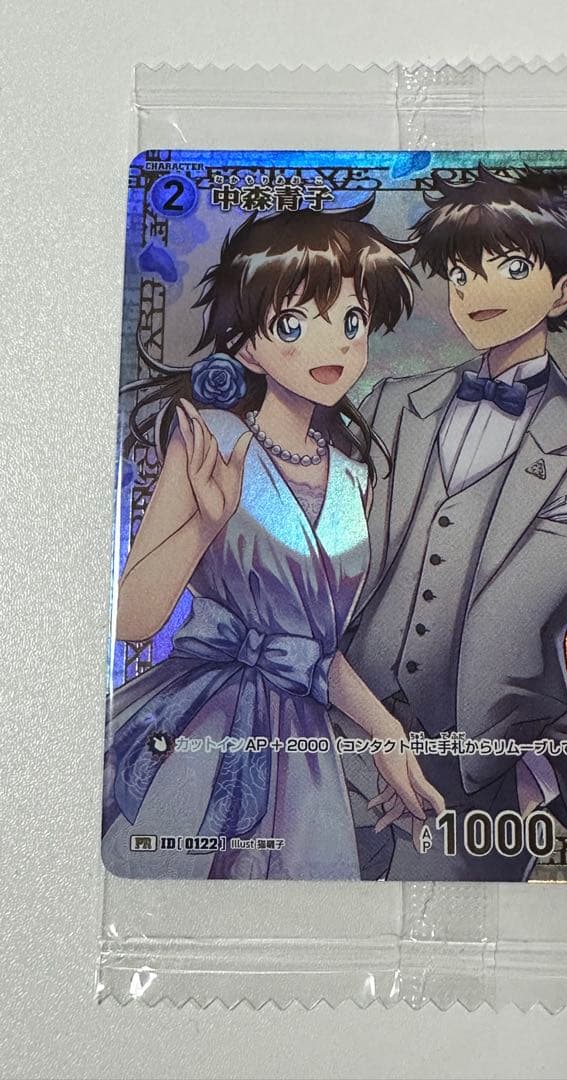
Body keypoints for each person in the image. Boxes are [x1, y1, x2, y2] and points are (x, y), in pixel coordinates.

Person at [102, 197, 443, 880]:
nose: (333, 344)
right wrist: (206, 523)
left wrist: (386, 735)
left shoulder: (353, 478)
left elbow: (314, 651)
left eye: (351, 321)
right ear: (247, 346)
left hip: (303, 748)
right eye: (294, 323)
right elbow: (132, 619)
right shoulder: (212, 438)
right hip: (200, 721)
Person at [338, 166, 567, 881]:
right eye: (461, 273)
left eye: (510, 268)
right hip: (330, 747)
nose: (476, 291)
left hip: (483, 790)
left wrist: (542, 779)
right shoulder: (391, 403)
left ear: (562, 292)